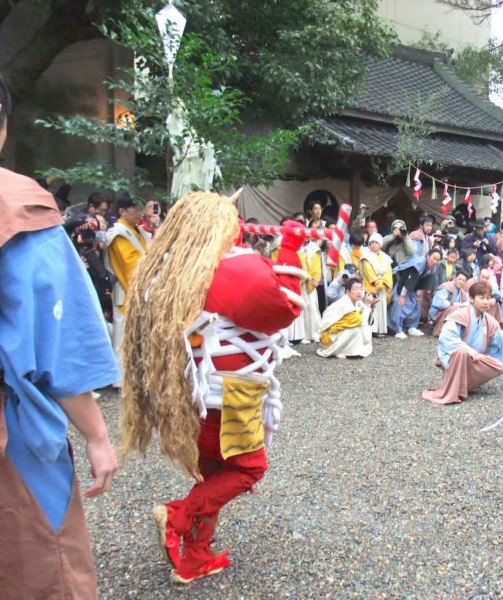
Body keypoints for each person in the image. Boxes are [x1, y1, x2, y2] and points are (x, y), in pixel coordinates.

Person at [121, 192, 307, 584]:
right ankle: (178, 516)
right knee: (247, 468)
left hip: (191, 392)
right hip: (231, 395)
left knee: (212, 472)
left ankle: (195, 557)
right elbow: (284, 307)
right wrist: (289, 248)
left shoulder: (167, 269)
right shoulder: (232, 269)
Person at [0, 72, 119, 598]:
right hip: (12, 443)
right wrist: (97, 434)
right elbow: (57, 343)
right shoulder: (19, 212)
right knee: (43, 569)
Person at [421, 282, 503, 404]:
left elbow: (496, 341)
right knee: (461, 352)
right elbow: (447, 337)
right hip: (456, 359)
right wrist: (471, 351)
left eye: (488, 298)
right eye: (481, 298)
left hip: (475, 359)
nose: (485, 302)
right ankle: (453, 388)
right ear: (471, 299)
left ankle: (464, 385)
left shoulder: (489, 320)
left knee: (499, 366)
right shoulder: (460, 314)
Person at [105, 193, 151, 385]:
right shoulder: (118, 234)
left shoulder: (138, 231)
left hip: (143, 287)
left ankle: (139, 377)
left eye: (140, 209)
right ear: (122, 211)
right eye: (135, 210)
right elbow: (132, 265)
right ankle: (123, 380)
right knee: (125, 337)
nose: (139, 213)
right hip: (128, 288)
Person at [389, 248, 442, 338]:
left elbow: (425, 282)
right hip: (401, 283)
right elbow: (408, 278)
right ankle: (397, 330)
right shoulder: (418, 263)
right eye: (434, 258)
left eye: (437, 260)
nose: (434, 261)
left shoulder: (433, 268)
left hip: (412, 287)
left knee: (415, 305)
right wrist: (402, 295)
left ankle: (411, 327)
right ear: (428, 255)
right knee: (400, 304)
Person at [317, 279, 375, 358]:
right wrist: (368, 305)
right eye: (355, 289)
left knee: (358, 329)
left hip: (337, 333)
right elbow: (360, 321)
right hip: (328, 337)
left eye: (361, 289)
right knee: (355, 329)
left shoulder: (358, 302)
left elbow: (366, 319)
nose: (359, 292)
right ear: (347, 292)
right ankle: (340, 350)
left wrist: (371, 305)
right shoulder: (344, 304)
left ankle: (346, 350)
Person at [359, 233, 393, 336]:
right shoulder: (366, 257)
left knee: (381, 307)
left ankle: (380, 329)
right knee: (371, 306)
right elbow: (368, 271)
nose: (374, 245)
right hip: (371, 285)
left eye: (376, 243)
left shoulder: (386, 258)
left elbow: (388, 271)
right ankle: (370, 329)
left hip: (382, 285)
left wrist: (384, 282)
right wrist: (377, 282)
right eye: (372, 243)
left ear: (380, 244)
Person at [429, 270, 470, 336]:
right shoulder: (447, 286)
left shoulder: (461, 291)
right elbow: (438, 302)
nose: (461, 282)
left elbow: (467, 302)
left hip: (449, 313)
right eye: (460, 279)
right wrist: (453, 304)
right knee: (455, 308)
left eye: (464, 280)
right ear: (455, 278)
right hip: (437, 314)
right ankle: (441, 331)